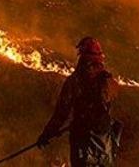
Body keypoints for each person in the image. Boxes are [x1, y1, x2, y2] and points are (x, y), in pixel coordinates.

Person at [37, 38, 119, 166]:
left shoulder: (75, 80)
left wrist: (47, 134)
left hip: (83, 146)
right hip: (104, 147)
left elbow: (61, 113)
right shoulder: (108, 81)